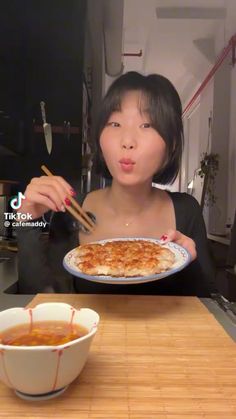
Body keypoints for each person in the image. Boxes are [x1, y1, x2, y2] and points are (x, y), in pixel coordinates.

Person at [17, 71, 217, 296]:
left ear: (171, 144)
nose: (127, 141)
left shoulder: (186, 210)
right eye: (115, 123)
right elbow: (44, 301)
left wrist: (187, 264)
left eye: (147, 125)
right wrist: (26, 222)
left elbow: (209, 305)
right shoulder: (72, 209)